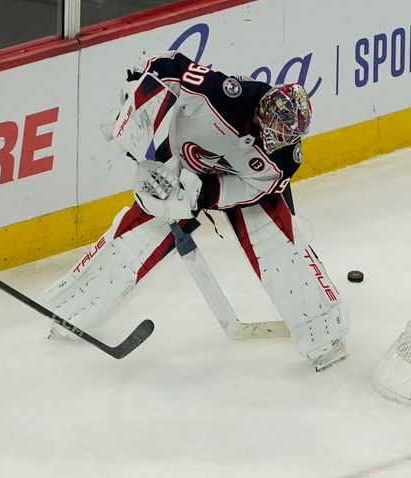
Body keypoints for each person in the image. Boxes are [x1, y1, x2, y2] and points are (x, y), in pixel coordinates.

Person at [42, 50, 349, 372]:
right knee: (134, 240)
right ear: (262, 112)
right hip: (176, 168)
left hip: (235, 187)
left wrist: (201, 194)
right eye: (276, 132)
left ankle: (324, 338)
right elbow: (169, 66)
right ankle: (69, 312)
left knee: (280, 249)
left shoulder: (286, 155)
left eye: (287, 136)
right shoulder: (224, 94)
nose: (277, 142)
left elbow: (257, 188)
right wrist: (137, 104)